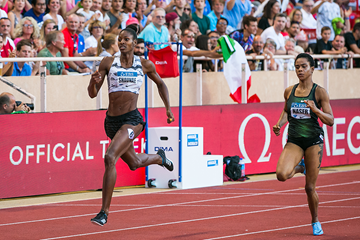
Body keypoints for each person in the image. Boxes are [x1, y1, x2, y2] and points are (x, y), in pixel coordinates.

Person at [88, 27, 175, 226]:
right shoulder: (108, 62)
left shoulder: (144, 65)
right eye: (120, 40)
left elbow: (161, 84)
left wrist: (168, 108)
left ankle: (104, 212)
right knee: (134, 163)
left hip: (132, 120)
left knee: (110, 157)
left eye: (126, 39)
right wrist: (93, 83)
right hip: (111, 122)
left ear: (134, 43)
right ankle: (159, 158)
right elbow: (92, 93)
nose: (122, 42)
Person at [273, 53, 334, 237]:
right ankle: (301, 168)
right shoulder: (289, 91)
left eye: (303, 66)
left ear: (312, 69)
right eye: (297, 66)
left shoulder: (319, 92)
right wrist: (279, 124)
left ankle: (315, 220)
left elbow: (330, 120)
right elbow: (286, 111)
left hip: (314, 141)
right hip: (294, 140)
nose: (299, 70)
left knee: (309, 188)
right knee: (281, 175)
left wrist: (315, 109)